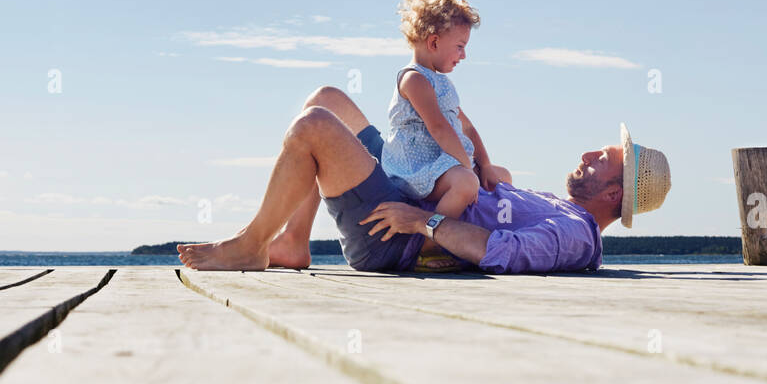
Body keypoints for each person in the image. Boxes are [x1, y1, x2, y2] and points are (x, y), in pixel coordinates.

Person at [177, 86, 671, 274]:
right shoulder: (556, 205)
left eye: (604, 158)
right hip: (411, 200)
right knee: (325, 99)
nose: (588, 153)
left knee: (314, 128)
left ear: (614, 194)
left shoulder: (576, 236)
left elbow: (505, 252)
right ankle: (292, 243)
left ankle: (251, 244)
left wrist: (423, 221)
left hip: (398, 238)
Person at [380, 0, 506, 266]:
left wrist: (484, 165)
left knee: (501, 176)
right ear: (434, 42)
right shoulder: (413, 79)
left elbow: (468, 128)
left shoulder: (444, 84)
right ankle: (427, 248)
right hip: (415, 167)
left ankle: (484, 235)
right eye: (460, 46)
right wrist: (466, 166)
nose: (464, 55)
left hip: (443, 161)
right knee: (465, 182)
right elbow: (438, 128)